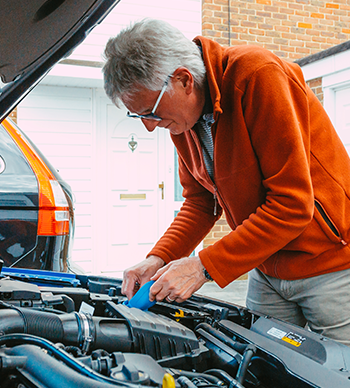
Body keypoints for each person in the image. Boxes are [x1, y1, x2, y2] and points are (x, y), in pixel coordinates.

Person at [103, 18, 350, 345]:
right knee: (260, 367)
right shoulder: (183, 120)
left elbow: (292, 206)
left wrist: (201, 267)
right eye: (139, 116)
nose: (150, 127)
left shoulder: (257, 75)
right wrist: (158, 258)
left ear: (183, 80)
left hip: (331, 268)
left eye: (150, 112)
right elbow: (201, 202)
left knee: (338, 382)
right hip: (266, 269)